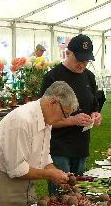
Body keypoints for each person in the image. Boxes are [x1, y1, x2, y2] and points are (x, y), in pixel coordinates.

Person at [0, 81, 79, 206]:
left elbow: (44, 157)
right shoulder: (22, 121)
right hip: (5, 181)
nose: (65, 119)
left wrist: (58, 174)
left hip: (26, 179)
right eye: (65, 114)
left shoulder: (46, 120)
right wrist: (49, 175)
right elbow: (16, 169)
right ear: (53, 102)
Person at [39, 34, 101, 194]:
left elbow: (94, 105)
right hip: (59, 146)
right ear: (68, 53)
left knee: (77, 193)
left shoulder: (89, 76)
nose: (83, 64)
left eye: (86, 61)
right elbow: (43, 117)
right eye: (79, 60)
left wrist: (95, 114)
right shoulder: (53, 77)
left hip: (81, 146)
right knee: (61, 195)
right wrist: (72, 120)